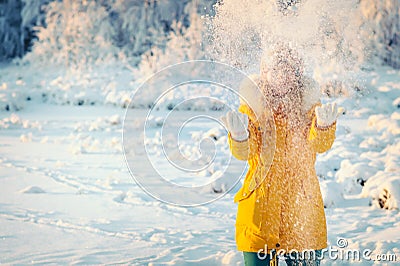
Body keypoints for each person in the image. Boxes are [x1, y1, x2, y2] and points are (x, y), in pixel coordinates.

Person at [221, 45, 340, 266]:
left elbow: (318, 145)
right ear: (265, 73)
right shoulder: (253, 109)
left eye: (289, 71)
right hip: (260, 211)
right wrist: (239, 137)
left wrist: (323, 126)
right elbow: (247, 153)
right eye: (276, 71)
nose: (283, 77)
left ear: (297, 74)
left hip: (302, 209)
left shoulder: (309, 108)